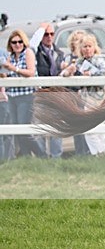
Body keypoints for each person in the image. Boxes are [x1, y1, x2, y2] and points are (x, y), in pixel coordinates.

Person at [1, 30, 46, 158]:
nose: (17, 44)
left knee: (24, 127)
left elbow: (31, 72)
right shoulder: (10, 57)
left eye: (20, 41)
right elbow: (7, 75)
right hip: (13, 95)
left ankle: (42, 154)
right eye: (14, 42)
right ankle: (26, 157)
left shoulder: (28, 53)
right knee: (17, 129)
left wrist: (14, 68)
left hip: (26, 95)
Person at [31, 22, 65, 158]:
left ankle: (56, 158)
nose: (49, 37)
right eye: (46, 34)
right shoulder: (35, 52)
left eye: (52, 34)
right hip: (41, 95)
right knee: (38, 127)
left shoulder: (59, 53)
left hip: (56, 95)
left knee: (56, 128)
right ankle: (42, 157)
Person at [74, 34, 105, 155]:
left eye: (89, 46)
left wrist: (91, 75)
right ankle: (99, 153)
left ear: (94, 47)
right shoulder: (79, 62)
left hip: (99, 98)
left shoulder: (98, 60)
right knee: (90, 128)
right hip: (86, 99)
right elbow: (73, 74)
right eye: (84, 46)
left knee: (96, 129)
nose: (87, 49)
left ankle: (100, 153)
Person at [57, 30, 90, 155]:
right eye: (77, 40)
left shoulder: (87, 59)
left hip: (85, 95)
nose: (80, 43)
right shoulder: (68, 58)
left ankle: (88, 153)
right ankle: (80, 153)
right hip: (71, 94)